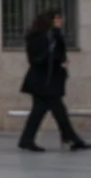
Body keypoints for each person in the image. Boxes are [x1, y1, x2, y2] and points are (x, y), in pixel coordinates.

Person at [18, 11, 87, 152]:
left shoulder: (50, 36)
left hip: (45, 80)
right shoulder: (45, 37)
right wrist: (58, 61)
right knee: (52, 110)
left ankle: (28, 139)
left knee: (47, 110)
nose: (61, 20)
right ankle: (71, 138)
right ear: (49, 20)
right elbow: (39, 58)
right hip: (44, 81)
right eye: (57, 18)